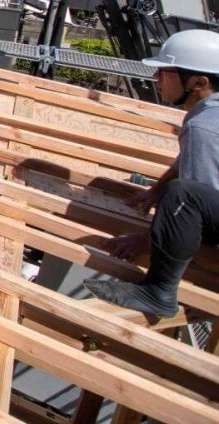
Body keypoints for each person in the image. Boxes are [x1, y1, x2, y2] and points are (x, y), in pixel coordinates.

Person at [84, 29, 219, 317]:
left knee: (182, 193)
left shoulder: (204, 127)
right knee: (177, 191)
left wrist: (147, 241)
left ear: (198, 82)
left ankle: (159, 292)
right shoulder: (210, 115)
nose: (156, 79)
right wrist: (158, 190)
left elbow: (195, 210)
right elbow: (188, 162)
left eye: (164, 72)